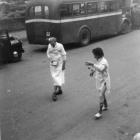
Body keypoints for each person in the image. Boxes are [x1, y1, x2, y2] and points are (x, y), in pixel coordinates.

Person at [85, 47, 111, 119]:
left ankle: (100, 112)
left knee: (100, 95)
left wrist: (92, 64)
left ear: (98, 54)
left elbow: (101, 69)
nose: (94, 56)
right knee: (102, 93)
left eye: (95, 55)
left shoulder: (104, 62)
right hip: (100, 81)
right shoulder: (99, 60)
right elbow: (97, 68)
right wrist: (92, 71)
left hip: (105, 81)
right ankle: (105, 106)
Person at [47, 37, 66, 101]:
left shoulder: (60, 46)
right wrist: (50, 59)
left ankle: (54, 93)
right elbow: (48, 53)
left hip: (59, 64)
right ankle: (60, 90)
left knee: (56, 77)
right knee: (54, 76)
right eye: (50, 42)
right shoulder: (49, 46)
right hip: (53, 63)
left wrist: (64, 64)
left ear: (55, 41)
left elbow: (64, 55)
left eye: (52, 42)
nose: (50, 44)